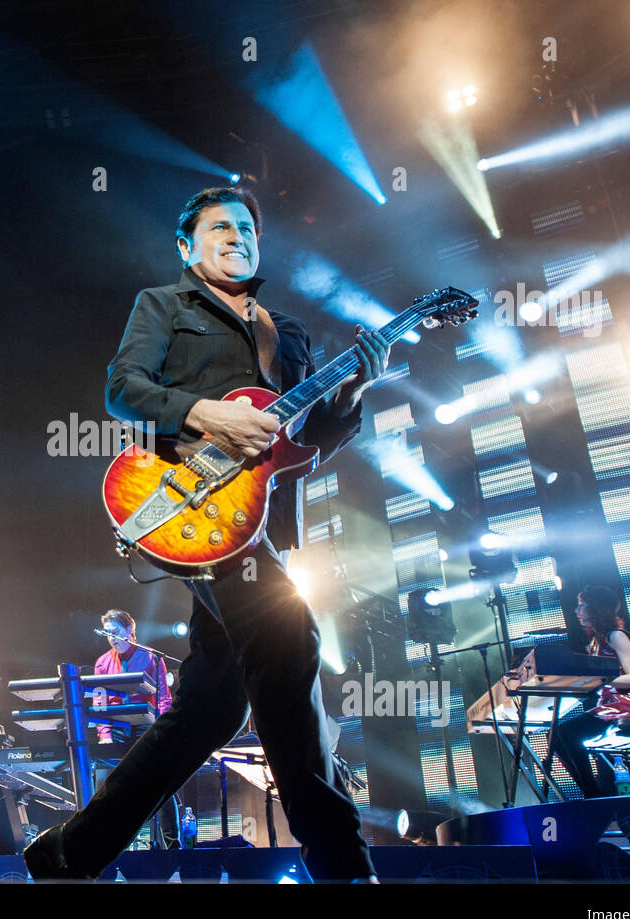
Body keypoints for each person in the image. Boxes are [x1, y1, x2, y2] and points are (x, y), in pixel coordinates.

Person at [25, 186, 391, 881]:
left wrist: (350, 396)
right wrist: (206, 415)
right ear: (186, 246)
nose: (238, 235)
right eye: (221, 226)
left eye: (249, 227)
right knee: (291, 637)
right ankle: (345, 865)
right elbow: (123, 390)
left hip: (264, 528)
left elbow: (305, 445)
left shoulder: (288, 332)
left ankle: (70, 851)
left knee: (211, 707)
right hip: (193, 514)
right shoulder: (162, 307)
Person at [548, 585, 630, 798]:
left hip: (627, 704)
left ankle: (594, 797)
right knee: (557, 736)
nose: (577, 612)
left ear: (597, 608)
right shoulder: (597, 641)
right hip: (609, 705)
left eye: (582, 606)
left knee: (565, 733)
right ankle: (592, 794)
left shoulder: (616, 636)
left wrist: (601, 683)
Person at [92, 609, 179, 849]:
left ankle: (173, 845)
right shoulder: (102, 663)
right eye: (108, 634)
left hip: (145, 725)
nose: (112, 638)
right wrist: (105, 736)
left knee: (158, 783)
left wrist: (162, 732)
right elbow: (99, 706)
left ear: (130, 630)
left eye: (116, 632)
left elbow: (163, 698)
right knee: (107, 783)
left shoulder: (151, 657)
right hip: (118, 726)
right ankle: (104, 845)